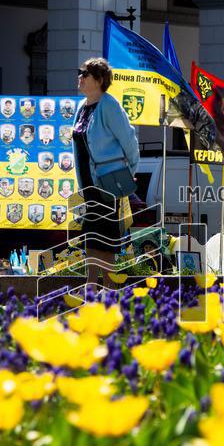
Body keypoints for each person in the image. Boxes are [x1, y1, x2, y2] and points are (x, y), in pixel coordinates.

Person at [72, 57, 140, 284]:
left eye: (85, 74)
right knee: (90, 236)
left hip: (108, 183)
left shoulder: (109, 105)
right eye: (80, 73)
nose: (80, 77)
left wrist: (129, 171)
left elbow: (129, 140)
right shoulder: (81, 107)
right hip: (88, 185)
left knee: (104, 237)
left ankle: (109, 287)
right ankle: (91, 285)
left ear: (99, 80)